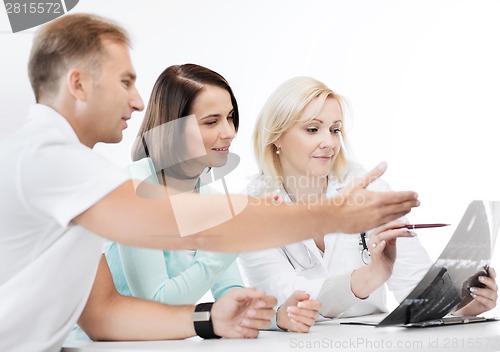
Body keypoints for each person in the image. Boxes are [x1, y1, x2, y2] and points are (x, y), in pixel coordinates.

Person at [0, 14, 420, 352]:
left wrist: (209, 318)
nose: (138, 100)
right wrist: (330, 214)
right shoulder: (48, 158)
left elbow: (104, 315)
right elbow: (181, 224)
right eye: (125, 81)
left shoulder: (77, 172)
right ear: (78, 84)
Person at [239, 76, 498, 324]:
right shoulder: (251, 209)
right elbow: (283, 300)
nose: (329, 142)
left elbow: (416, 289)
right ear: (276, 137)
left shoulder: (372, 192)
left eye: (335, 129)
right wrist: (370, 276)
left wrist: (466, 305)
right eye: (312, 129)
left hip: (372, 343)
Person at [105, 63, 321, 332]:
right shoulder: (134, 189)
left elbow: (230, 293)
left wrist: (277, 315)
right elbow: (157, 305)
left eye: (230, 117)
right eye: (211, 121)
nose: (229, 132)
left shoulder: (211, 197)